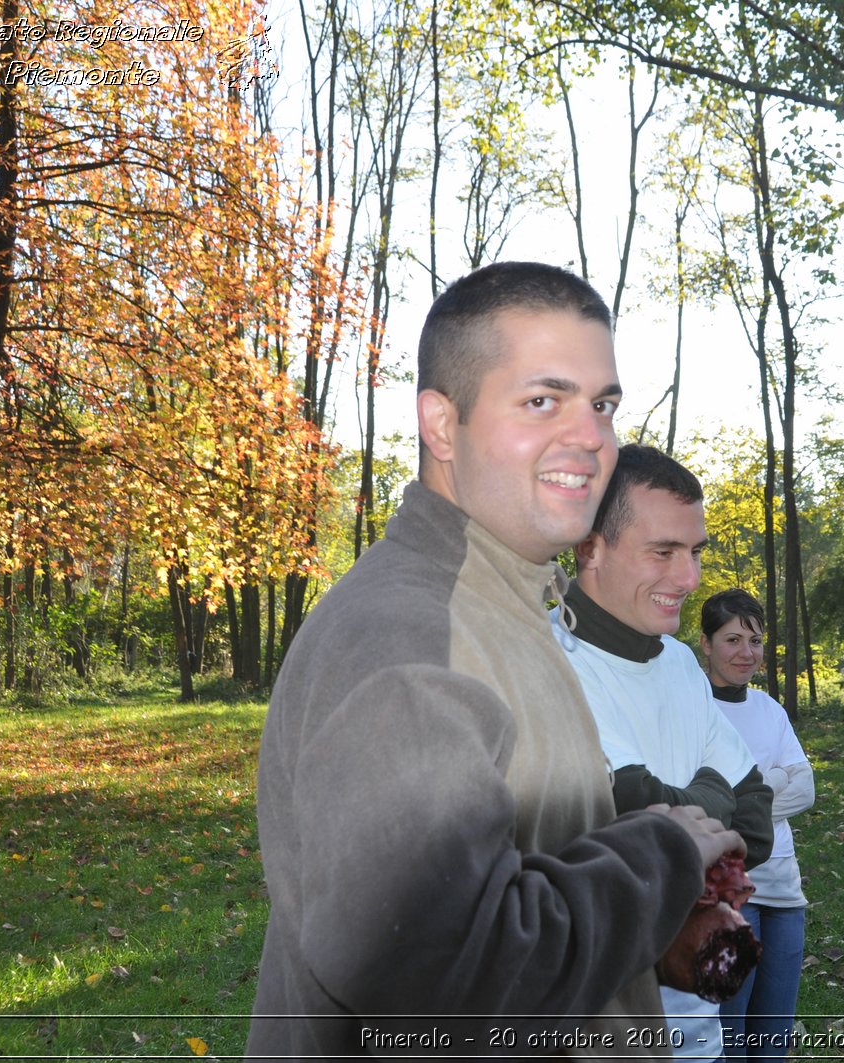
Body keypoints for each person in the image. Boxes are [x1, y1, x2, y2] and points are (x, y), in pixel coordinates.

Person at [247, 262, 744, 1059]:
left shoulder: (507, 606)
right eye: (542, 400)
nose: (591, 436)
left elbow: (504, 893)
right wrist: (661, 853)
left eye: (603, 404)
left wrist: (644, 936)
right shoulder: (411, 638)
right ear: (443, 426)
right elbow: (439, 979)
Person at [552, 444, 774, 1062]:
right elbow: (630, 810)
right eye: (663, 552)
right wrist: (706, 795)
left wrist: (681, 813)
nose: (691, 578)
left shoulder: (679, 663)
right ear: (590, 547)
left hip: (701, 1031)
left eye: (695, 551)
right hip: (603, 1035)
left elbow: (756, 818)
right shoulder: (553, 665)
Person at [699, 589, 814, 1063]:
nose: (747, 653)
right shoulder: (693, 709)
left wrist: (746, 794)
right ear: (705, 643)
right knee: (729, 1033)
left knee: (773, 1036)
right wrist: (773, 782)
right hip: (724, 895)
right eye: (732, 639)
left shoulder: (770, 709)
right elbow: (701, 808)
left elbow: (806, 789)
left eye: (756, 640)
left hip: (784, 890)